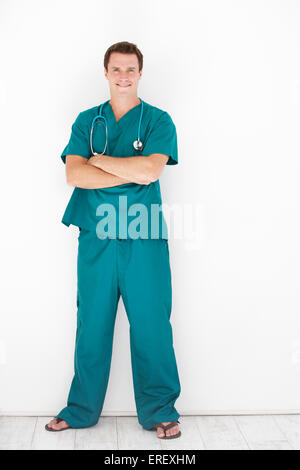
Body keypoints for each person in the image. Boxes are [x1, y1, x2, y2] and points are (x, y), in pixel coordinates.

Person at [45, 41, 181, 440]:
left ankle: (160, 409)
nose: (124, 76)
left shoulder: (158, 120)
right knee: (93, 325)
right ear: (105, 73)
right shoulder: (88, 121)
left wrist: (100, 161)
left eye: (131, 70)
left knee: (152, 324)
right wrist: (130, 172)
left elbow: (152, 171)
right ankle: (82, 409)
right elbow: (75, 176)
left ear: (140, 73)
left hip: (143, 236)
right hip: (98, 237)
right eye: (116, 69)